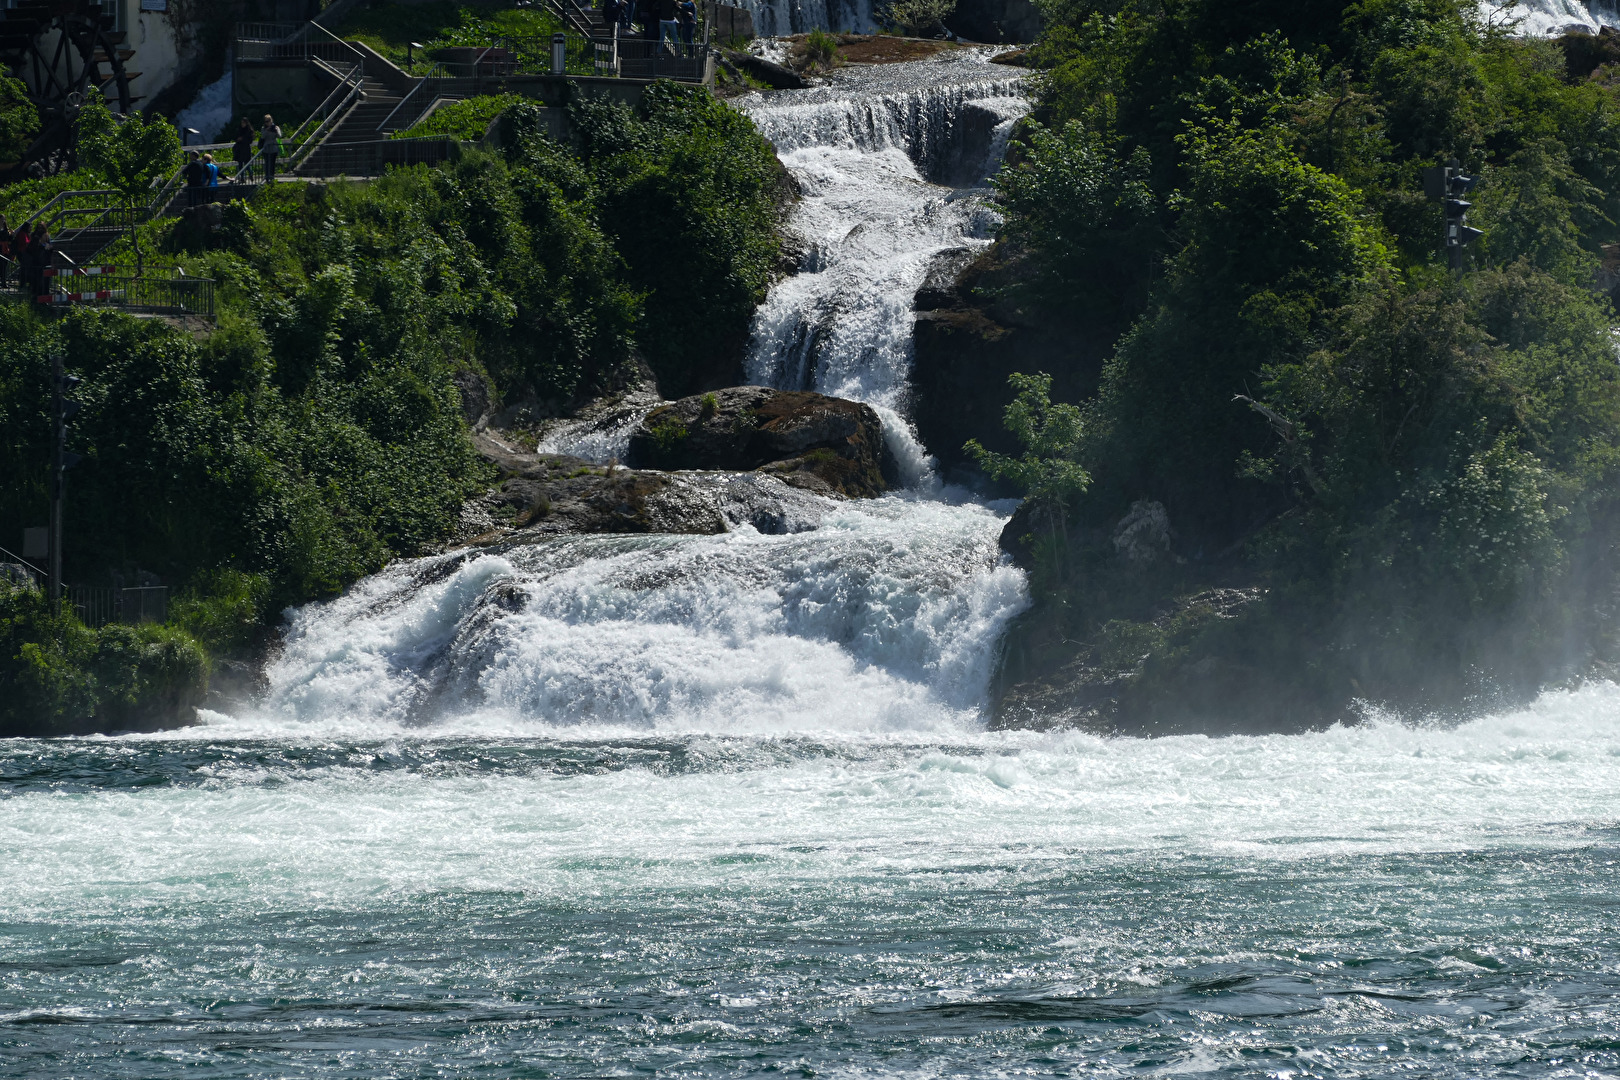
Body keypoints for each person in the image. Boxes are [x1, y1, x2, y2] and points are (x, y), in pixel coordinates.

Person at [259, 114, 283, 182]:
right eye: (266, 121)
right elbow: (263, 136)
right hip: (266, 148)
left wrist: (275, 130)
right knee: (267, 163)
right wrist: (267, 130)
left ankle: (272, 177)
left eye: (268, 121)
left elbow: (279, 136)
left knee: (272, 163)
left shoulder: (276, 127)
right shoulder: (263, 128)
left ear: (271, 121)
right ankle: (267, 177)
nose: (267, 123)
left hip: (274, 147)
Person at [232, 117, 254, 181]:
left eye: (244, 123)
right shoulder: (239, 129)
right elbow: (235, 137)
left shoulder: (249, 131)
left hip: (246, 149)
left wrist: (243, 139)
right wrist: (238, 139)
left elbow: (250, 140)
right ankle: (242, 178)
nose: (242, 124)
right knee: (240, 164)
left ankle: (250, 174)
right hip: (239, 149)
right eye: (242, 123)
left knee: (247, 164)